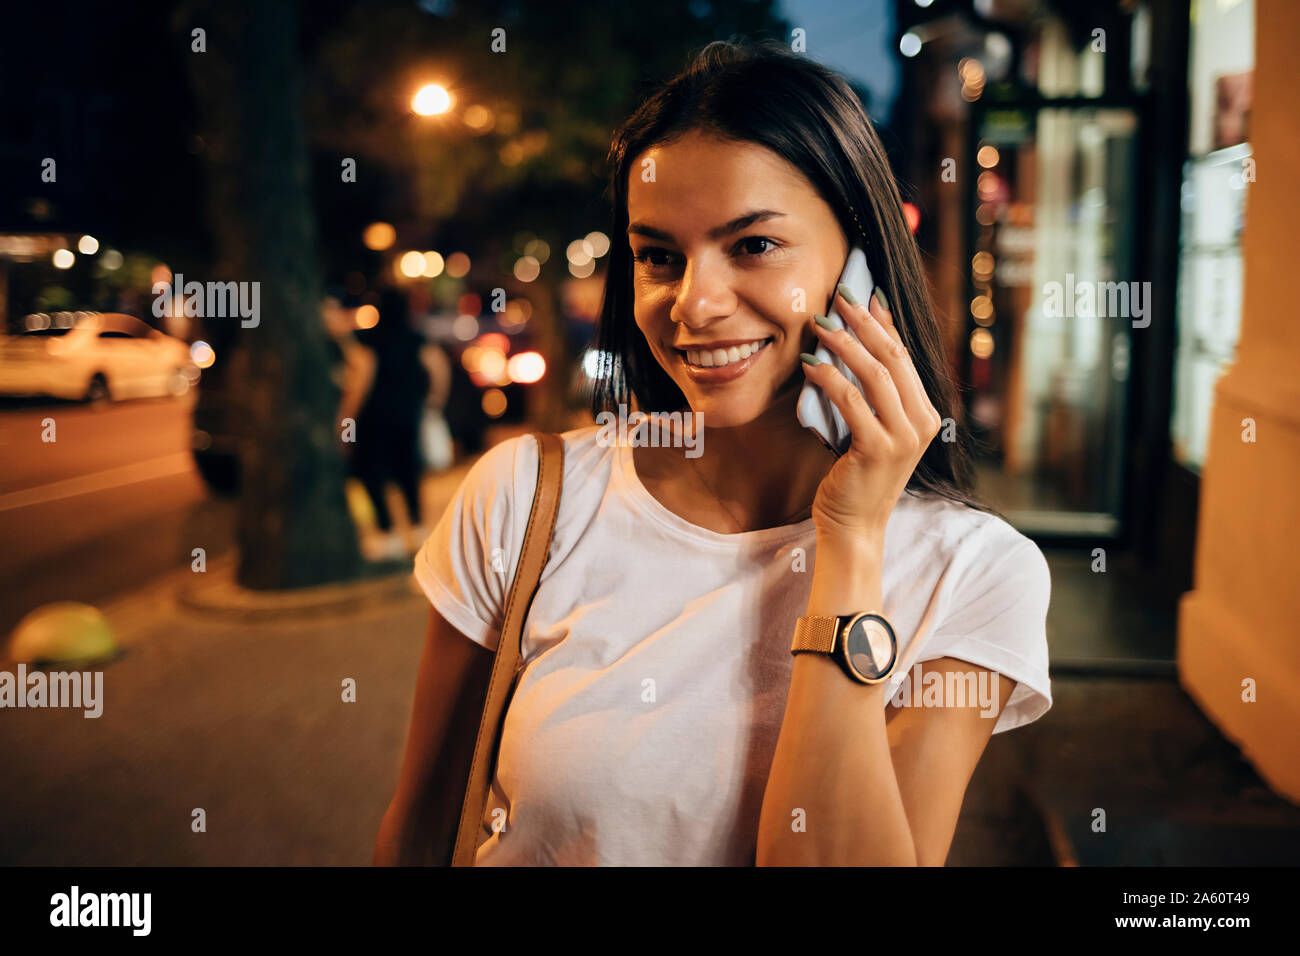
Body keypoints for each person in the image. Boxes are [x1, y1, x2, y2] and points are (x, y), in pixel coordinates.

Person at [376, 39, 1051, 867]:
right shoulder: (526, 496)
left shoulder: (977, 575)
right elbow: (417, 833)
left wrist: (854, 540)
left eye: (753, 245)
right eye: (658, 256)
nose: (694, 303)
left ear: (861, 264)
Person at [351, 289, 431, 560]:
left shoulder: (369, 339)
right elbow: (437, 368)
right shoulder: (416, 338)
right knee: (409, 472)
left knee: (373, 473)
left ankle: (388, 533)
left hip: (375, 419)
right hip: (408, 416)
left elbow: (363, 377)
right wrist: (431, 403)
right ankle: (417, 528)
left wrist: (346, 416)